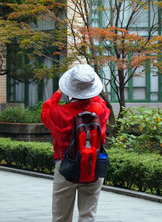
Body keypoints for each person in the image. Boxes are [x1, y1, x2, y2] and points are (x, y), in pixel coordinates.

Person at [41, 64, 111, 222]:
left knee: (61, 217)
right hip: (93, 165)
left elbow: (45, 112)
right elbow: (98, 99)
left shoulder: (59, 113)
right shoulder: (100, 109)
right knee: (88, 216)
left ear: (69, 89)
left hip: (66, 167)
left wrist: (59, 92)